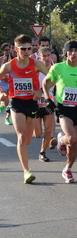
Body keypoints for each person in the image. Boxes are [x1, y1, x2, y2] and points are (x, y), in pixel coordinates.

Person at [43, 40, 77, 183]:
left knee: (76, 143)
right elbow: (45, 83)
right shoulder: (58, 68)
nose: (73, 53)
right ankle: (61, 139)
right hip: (63, 108)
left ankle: (68, 169)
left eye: (76, 51)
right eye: (70, 51)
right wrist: (48, 99)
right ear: (65, 53)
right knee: (71, 138)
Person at [0, 34, 48, 183]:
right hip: (16, 102)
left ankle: (25, 160)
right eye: (23, 49)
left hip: (32, 103)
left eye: (29, 48)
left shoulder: (37, 64)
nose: (26, 51)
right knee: (21, 137)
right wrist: (2, 92)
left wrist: (41, 90)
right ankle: (26, 171)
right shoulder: (8, 66)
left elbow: (52, 78)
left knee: (27, 140)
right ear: (16, 49)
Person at [35, 47, 57, 162]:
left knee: (48, 130)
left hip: (48, 103)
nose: (47, 58)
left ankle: (42, 153)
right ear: (39, 58)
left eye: (49, 55)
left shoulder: (54, 70)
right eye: (44, 56)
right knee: (38, 133)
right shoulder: (36, 71)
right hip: (35, 104)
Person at [0, 43, 12, 125]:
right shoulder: (1, 59)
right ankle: (2, 104)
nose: (8, 51)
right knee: (5, 101)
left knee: (12, 101)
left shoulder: (13, 59)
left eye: (9, 49)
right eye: (6, 50)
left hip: (11, 81)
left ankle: (7, 118)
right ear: (2, 51)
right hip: (3, 81)